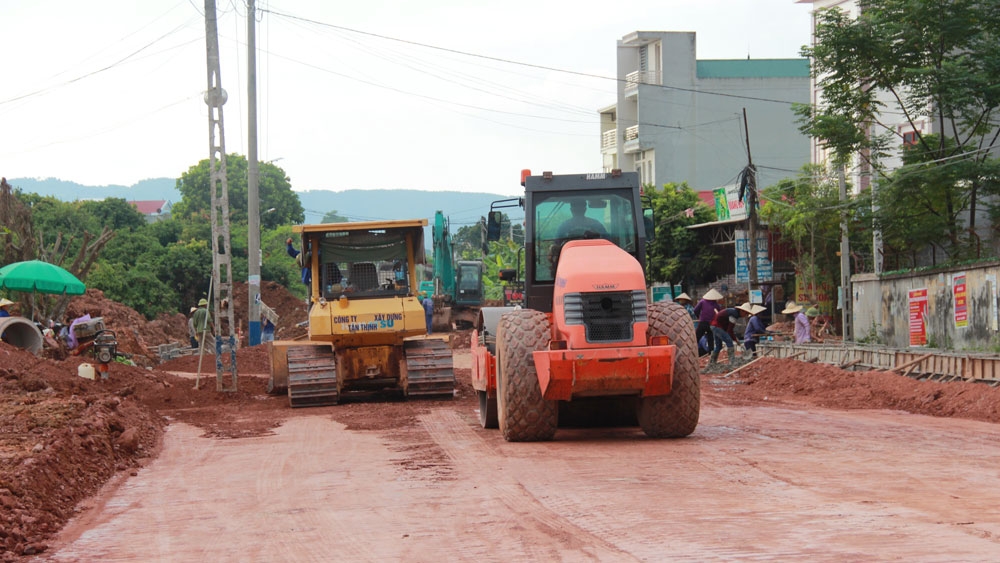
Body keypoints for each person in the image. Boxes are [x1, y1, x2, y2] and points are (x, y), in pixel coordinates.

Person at [693, 288, 723, 356]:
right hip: (711, 324)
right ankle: (711, 354)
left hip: (703, 322)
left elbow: (695, 310)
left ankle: (692, 351)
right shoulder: (716, 305)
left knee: (696, 337)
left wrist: (699, 316)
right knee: (710, 339)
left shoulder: (702, 301)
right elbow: (718, 314)